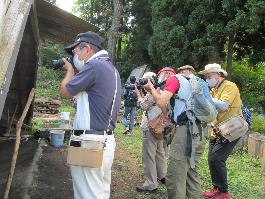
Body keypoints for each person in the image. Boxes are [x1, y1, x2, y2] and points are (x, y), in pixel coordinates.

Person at [60, 31, 121, 199]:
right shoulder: (110, 68)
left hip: (90, 142)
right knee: (99, 193)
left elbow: (65, 91)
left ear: (86, 49)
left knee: (87, 195)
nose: (75, 55)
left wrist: (70, 70)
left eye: (75, 51)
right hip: (105, 140)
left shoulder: (93, 66)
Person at [144, 68, 205, 199]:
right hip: (199, 131)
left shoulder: (173, 80)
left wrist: (151, 88)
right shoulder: (193, 84)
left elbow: (160, 101)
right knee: (191, 174)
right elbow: (168, 113)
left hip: (185, 133)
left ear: (166, 75)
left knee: (175, 176)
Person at [199, 63, 242, 199]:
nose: (206, 79)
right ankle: (216, 188)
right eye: (205, 77)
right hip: (217, 130)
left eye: (208, 76)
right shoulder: (214, 90)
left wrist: (205, 97)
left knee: (217, 158)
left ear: (218, 75)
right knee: (211, 160)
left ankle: (224, 192)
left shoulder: (229, 86)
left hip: (231, 129)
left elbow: (223, 106)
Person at [135, 72, 167, 193]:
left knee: (149, 156)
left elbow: (143, 105)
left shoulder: (153, 92)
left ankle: (150, 184)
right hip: (161, 126)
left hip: (151, 127)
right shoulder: (162, 89)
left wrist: (138, 95)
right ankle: (163, 175)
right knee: (159, 152)